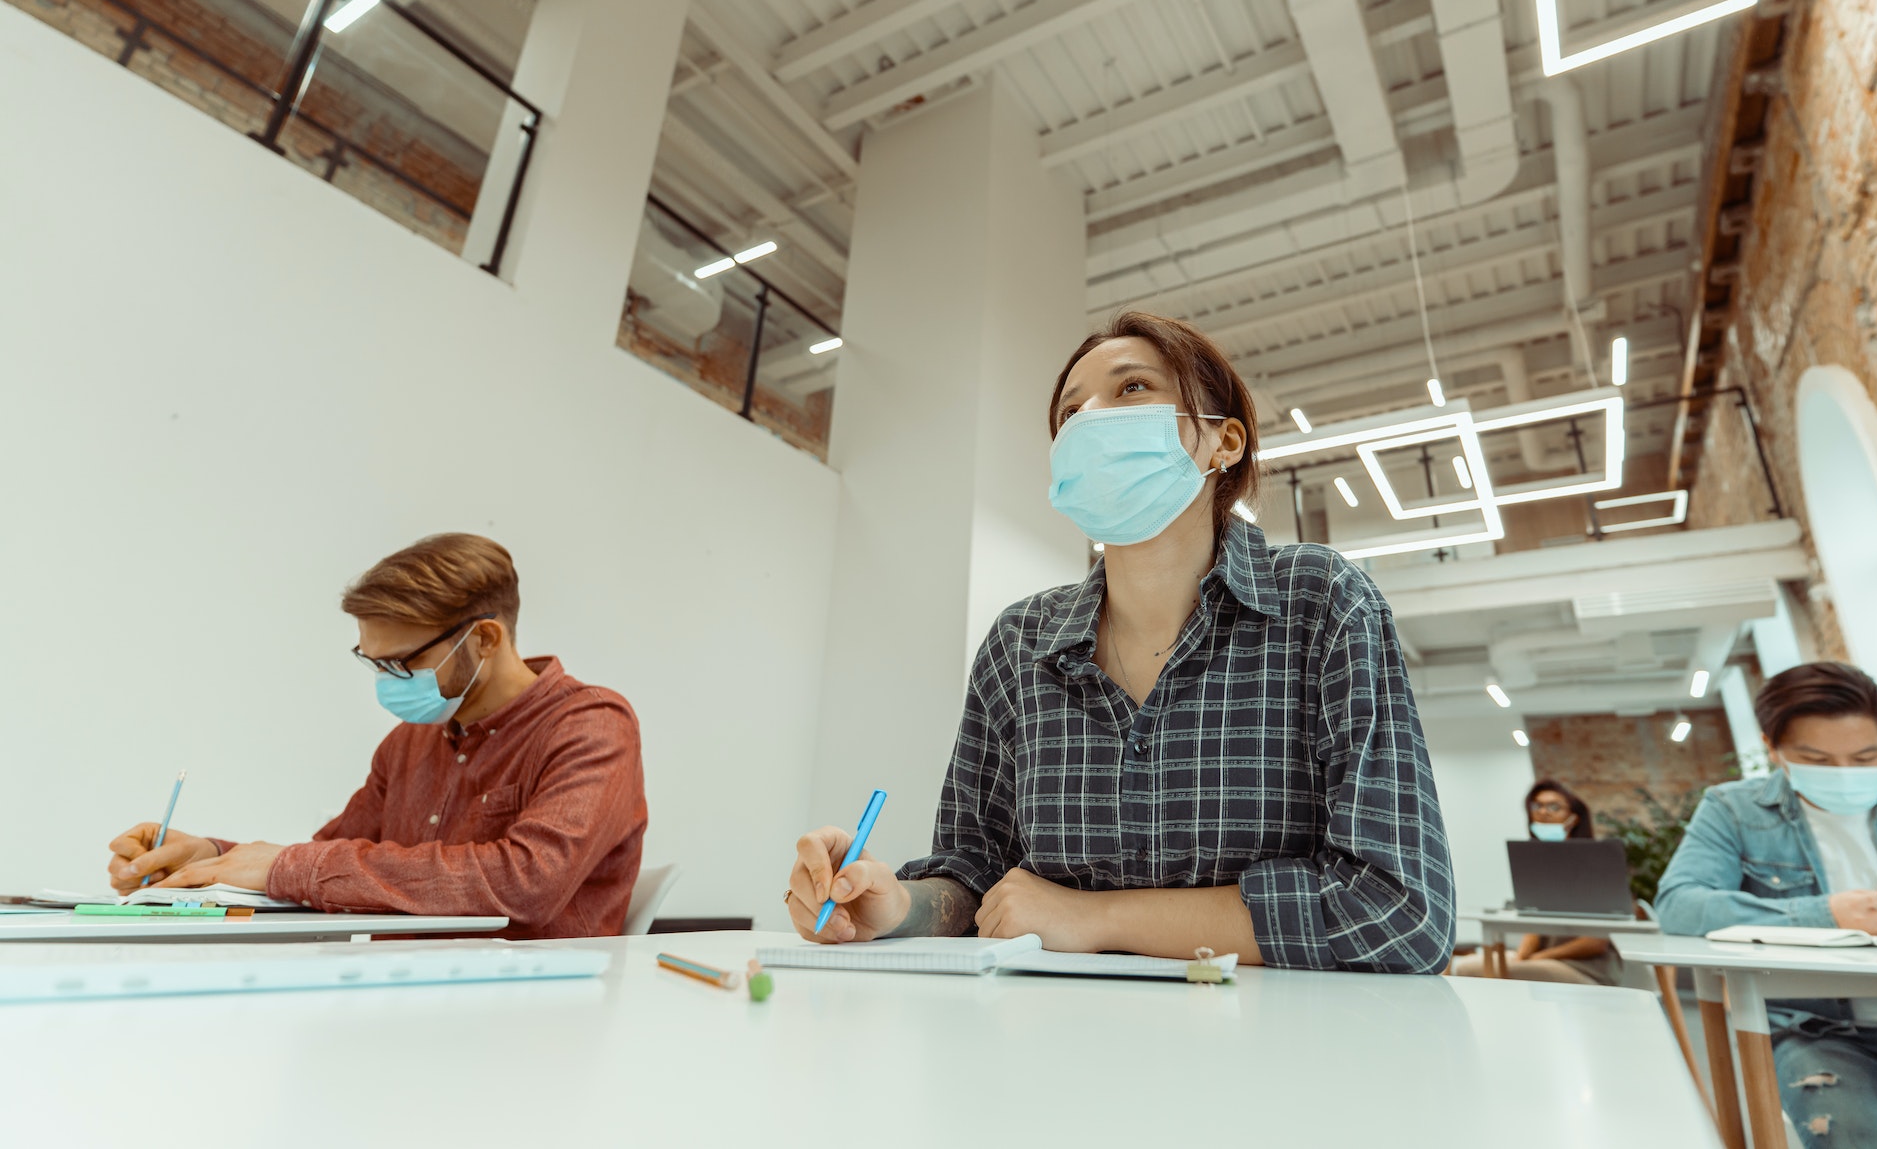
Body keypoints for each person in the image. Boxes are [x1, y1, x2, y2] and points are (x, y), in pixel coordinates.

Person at [782, 311, 1455, 971]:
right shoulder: (1019, 642)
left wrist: (1094, 917)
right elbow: (975, 874)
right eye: (1071, 412)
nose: (1091, 420)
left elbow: (1401, 912)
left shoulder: (1322, 604)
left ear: (1224, 441)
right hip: (1055, 1032)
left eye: (1132, 387)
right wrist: (898, 906)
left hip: (1276, 1038)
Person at [105, 534, 647, 939]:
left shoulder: (591, 725)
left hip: (535, 1011)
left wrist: (286, 866)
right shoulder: (408, 744)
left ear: (484, 638)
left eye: (402, 663)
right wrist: (209, 859)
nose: (388, 682)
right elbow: (325, 862)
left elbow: (525, 883)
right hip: (401, 992)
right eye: (374, 662)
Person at [1657, 662, 1877, 1146]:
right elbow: (1679, 904)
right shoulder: (1732, 811)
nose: (1844, 774)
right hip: (1826, 1035)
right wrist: (1826, 915)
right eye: (1817, 760)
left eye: (1865, 757)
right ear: (1772, 748)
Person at [1451, 779, 1618, 984]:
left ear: (1573, 818)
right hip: (1544, 961)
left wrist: (1539, 958)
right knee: (1465, 965)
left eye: (1553, 806)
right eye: (1537, 806)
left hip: (1586, 969)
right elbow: (1533, 931)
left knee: (1478, 969)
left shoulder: (1593, 867)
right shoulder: (1541, 868)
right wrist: (1521, 958)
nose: (1543, 812)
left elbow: (1596, 942)